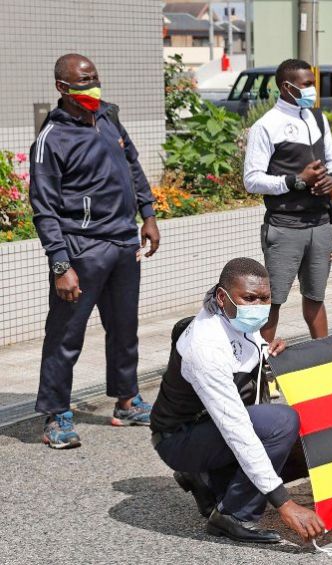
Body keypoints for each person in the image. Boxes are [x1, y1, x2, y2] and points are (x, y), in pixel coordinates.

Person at [28, 53, 161, 448]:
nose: (92, 85)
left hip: (123, 241)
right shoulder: (51, 139)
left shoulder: (108, 118)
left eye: (94, 77)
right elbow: (43, 207)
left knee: (124, 327)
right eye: (83, 80)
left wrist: (148, 215)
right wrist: (60, 263)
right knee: (66, 334)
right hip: (82, 248)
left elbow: (133, 165)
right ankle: (56, 413)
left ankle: (126, 400)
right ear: (62, 88)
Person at [150, 258, 326, 544]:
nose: (258, 306)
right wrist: (285, 504)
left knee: (310, 438)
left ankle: (205, 478)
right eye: (249, 298)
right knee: (282, 423)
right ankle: (233, 516)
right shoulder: (205, 346)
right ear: (223, 296)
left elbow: (243, 358)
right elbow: (238, 429)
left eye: (265, 298)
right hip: (179, 439)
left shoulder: (232, 317)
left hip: (209, 430)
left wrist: (266, 353)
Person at [243, 58, 332, 341]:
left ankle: (324, 358)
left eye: (313, 83)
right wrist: (296, 180)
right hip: (285, 225)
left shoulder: (318, 118)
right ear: (287, 87)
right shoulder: (267, 125)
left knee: (315, 297)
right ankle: (262, 365)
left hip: (320, 224)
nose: (313, 90)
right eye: (307, 85)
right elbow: (251, 179)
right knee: (272, 299)